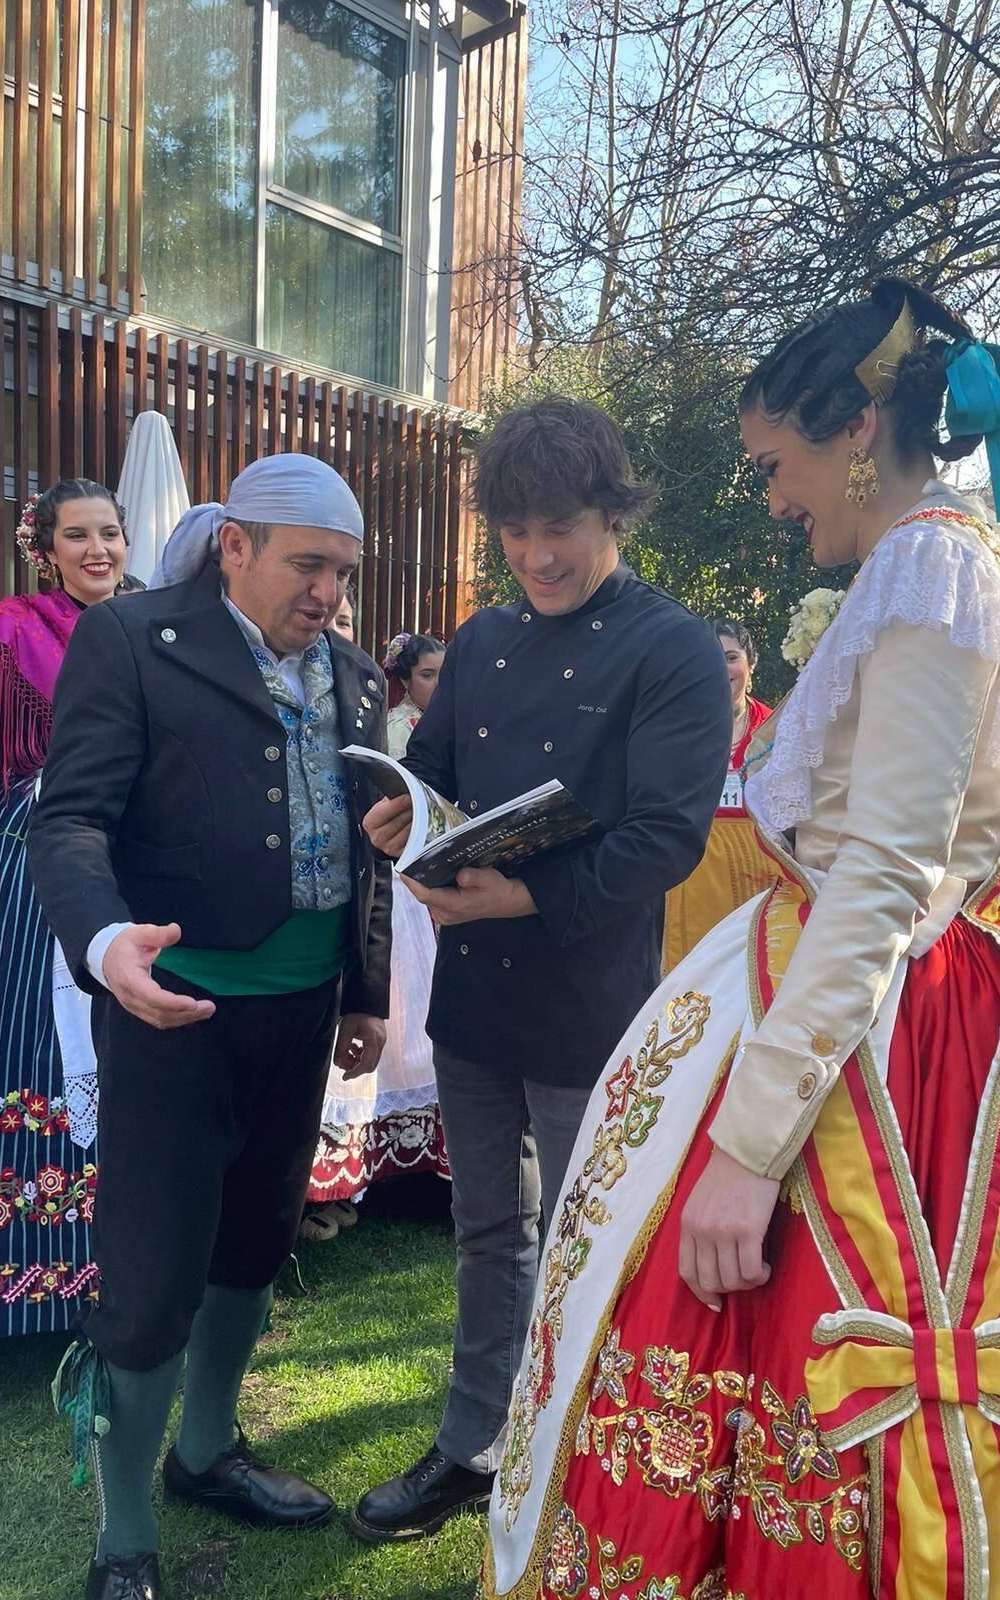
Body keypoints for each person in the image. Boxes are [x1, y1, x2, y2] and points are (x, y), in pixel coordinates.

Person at [484, 279, 1000, 1600]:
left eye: (776, 464)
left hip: (897, 1048)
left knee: (816, 1349)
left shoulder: (930, 570)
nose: (773, 498)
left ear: (854, 432)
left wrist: (744, 1146)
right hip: (908, 1001)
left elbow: (889, 880)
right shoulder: (942, 569)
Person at [352, 397, 731, 1544]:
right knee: (487, 1234)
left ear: (614, 509)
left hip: (593, 1002)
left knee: (587, 1242)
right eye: (513, 532)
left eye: (558, 525)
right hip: (476, 997)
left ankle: (585, 1461)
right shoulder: (481, 638)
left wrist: (511, 889)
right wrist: (402, 822)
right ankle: (473, 1447)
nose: (537, 556)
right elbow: (439, 770)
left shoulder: (672, 646)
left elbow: (666, 838)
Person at [27, 454, 392, 1600]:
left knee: (255, 1244)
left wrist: (366, 988)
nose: (328, 591)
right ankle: (123, 1535)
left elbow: (365, 847)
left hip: (302, 1009)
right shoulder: (133, 640)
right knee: (150, 1272)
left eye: (342, 570)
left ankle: (206, 1452)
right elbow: (72, 819)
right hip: (171, 1008)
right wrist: (102, 944)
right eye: (307, 564)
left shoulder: (360, 676)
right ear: (234, 544)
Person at [0, 481, 127, 1336]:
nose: (99, 550)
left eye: (112, 534)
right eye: (79, 535)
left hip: (128, 871)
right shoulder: (10, 631)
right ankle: (12, 1280)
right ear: (44, 548)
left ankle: (115, 1272)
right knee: (29, 1057)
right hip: (27, 879)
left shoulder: (146, 629)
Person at [304, 630, 449, 1227]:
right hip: (378, 865)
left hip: (398, 885)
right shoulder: (393, 726)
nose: (437, 685)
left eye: (445, 673)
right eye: (428, 674)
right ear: (405, 679)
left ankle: (412, 1166)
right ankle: (328, 1178)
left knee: (412, 1020)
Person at [662, 618, 773, 971]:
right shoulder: (675, 727)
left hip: (757, 872)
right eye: (709, 656)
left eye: (730, 657)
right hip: (693, 874)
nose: (720, 667)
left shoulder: (775, 729)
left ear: (750, 665)